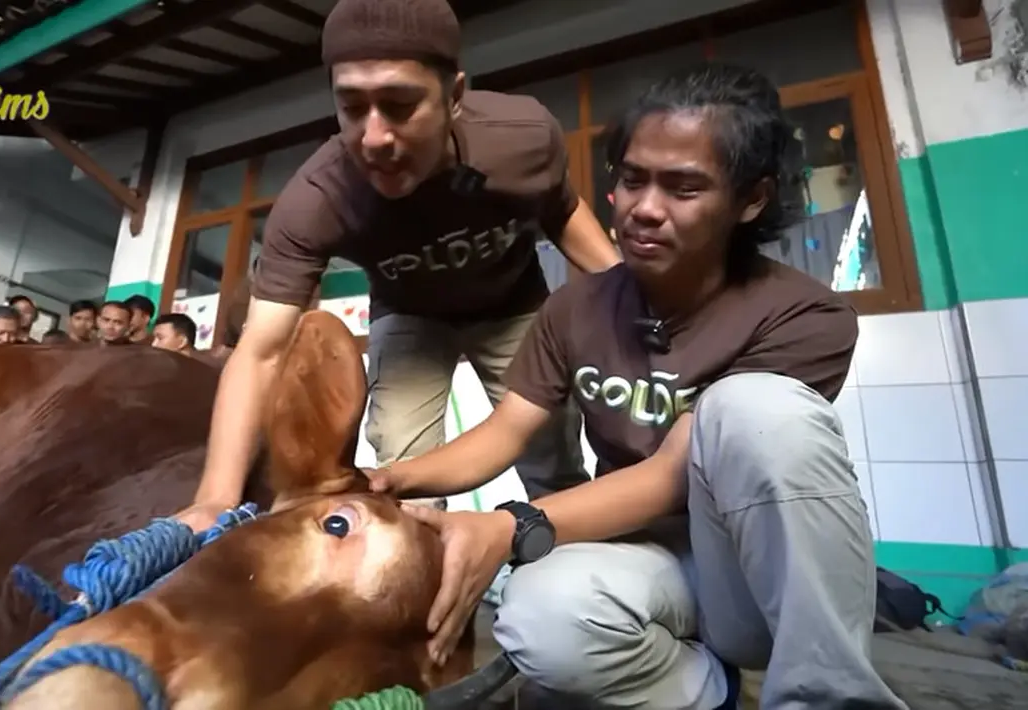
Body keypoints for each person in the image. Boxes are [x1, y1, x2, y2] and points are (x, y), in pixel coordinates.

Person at [368, 64, 906, 710]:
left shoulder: (806, 316)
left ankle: (830, 698)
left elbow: (671, 473)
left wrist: (507, 526)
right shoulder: (573, 309)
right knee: (536, 616)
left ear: (751, 199)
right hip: (649, 560)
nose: (644, 209)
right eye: (631, 180)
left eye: (684, 188)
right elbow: (506, 430)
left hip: (752, 578)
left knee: (752, 408)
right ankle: (708, 693)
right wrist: (388, 480)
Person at [178, 0, 620, 530]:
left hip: (514, 304)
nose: (374, 138)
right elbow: (261, 351)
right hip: (411, 316)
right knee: (399, 472)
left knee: (552, 453)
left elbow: (562, 211)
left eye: (400, 105)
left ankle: (570, 555)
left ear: (454, 97)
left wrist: (634, 298)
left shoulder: (521, 136)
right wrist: (215, 498)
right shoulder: (317, 199)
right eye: (351, 108)